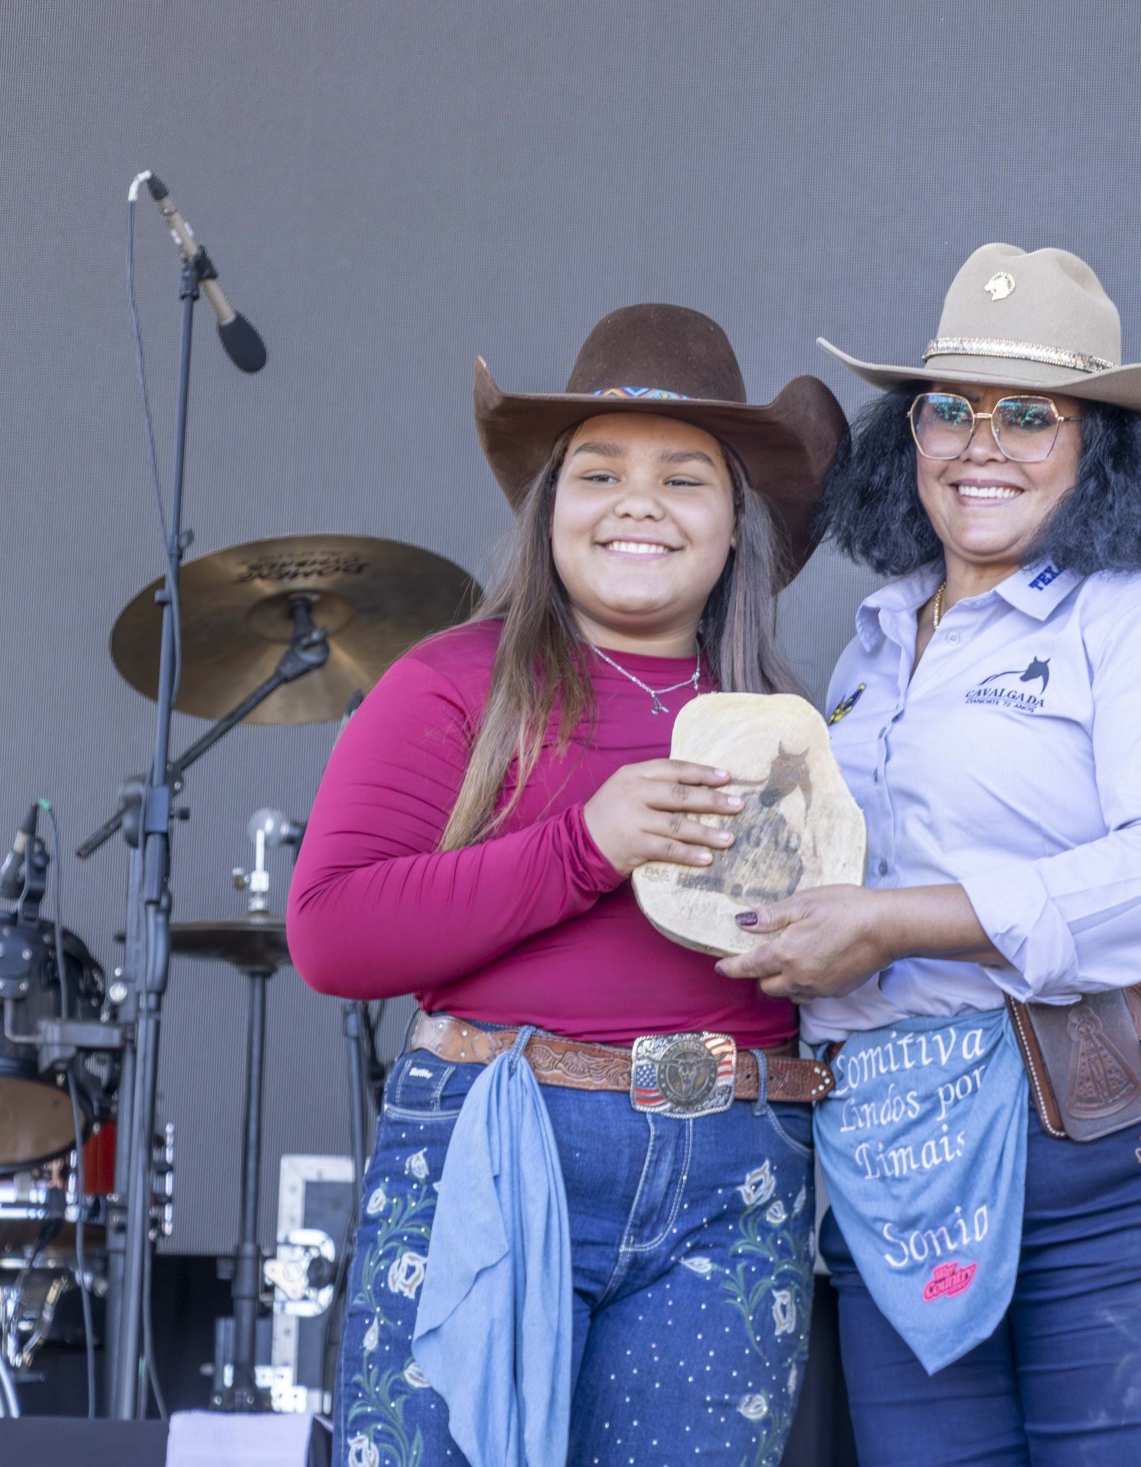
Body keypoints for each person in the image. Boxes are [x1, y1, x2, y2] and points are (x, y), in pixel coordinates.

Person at [718, 243, 1141, 1466]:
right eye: (949, 410)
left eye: (1030, 415)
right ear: (907, 436)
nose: (980, 446)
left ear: (1102, 448)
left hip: (1106, 1139)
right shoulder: (875, 645)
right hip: (895, 1152)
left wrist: (899, 923)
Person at [288, 304, 846, 1467]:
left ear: (736, 526)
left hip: (735, 1168)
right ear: (551, 511)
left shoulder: (786, 726)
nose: (638, 503)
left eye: (683, 479)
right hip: (500, 1140)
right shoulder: (455, 683)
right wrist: (586, 846)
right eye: (599, 473)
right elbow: (332, 936)